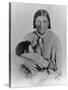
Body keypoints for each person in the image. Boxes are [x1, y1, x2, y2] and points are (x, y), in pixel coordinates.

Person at [15, 9, 62, 76]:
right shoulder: (28, 37)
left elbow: (58, 68)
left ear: (49, 23)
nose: (41, 25)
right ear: (34, 22)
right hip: (30, 77)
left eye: (44, 21)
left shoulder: (55, 40)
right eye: (38, 21)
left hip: (51, 77)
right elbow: (15, 56)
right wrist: (25, 62)